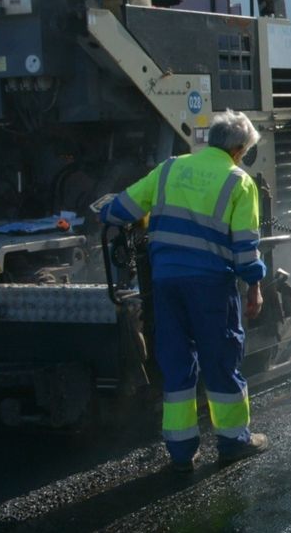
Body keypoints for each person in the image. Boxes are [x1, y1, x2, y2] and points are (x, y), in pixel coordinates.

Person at [98, 110, 270, 472]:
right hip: (211, 286)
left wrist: (106, 210)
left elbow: (120, 210)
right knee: (221, 360)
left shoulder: (170, 168)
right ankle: (234, 441)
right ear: (239, 150)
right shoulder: (239, 182)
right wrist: (255, 287)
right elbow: (244, 248)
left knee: (177, 364)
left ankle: (180, 453)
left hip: (165, 284)